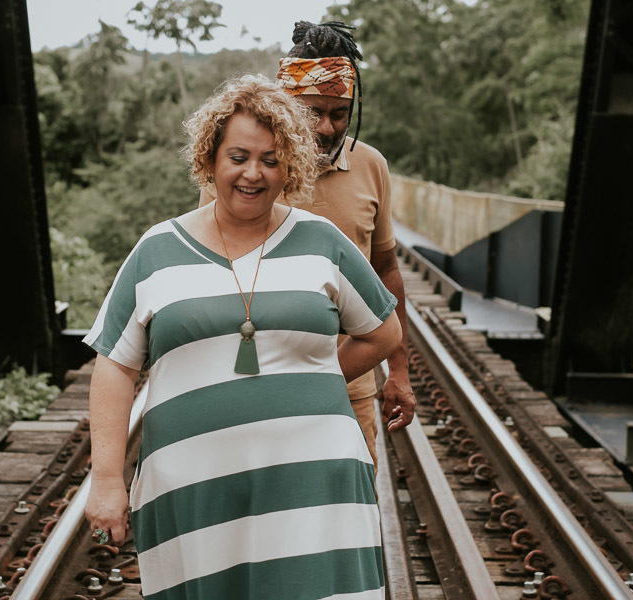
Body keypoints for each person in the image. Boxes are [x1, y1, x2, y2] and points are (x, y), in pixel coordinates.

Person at [84, 74, 400, 599]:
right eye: (239, 156)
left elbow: (383, 333)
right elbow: (115, 365)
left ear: (290, 168)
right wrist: (107, 479)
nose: (254, 173)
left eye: (272, 160)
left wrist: (313, 378)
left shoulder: (322, 241)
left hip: (313, 486)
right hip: (194, 492)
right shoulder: (156, 250)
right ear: (210, 160)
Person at [200, 21, 415, 472]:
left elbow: (385, 271)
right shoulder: (246, 172)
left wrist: (399, 370)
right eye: (311, 111)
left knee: (346, 512)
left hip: (346, 383)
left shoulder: (371, 165)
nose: (326, 126)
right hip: (251, 384)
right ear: (285, 105)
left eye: (340, 113)